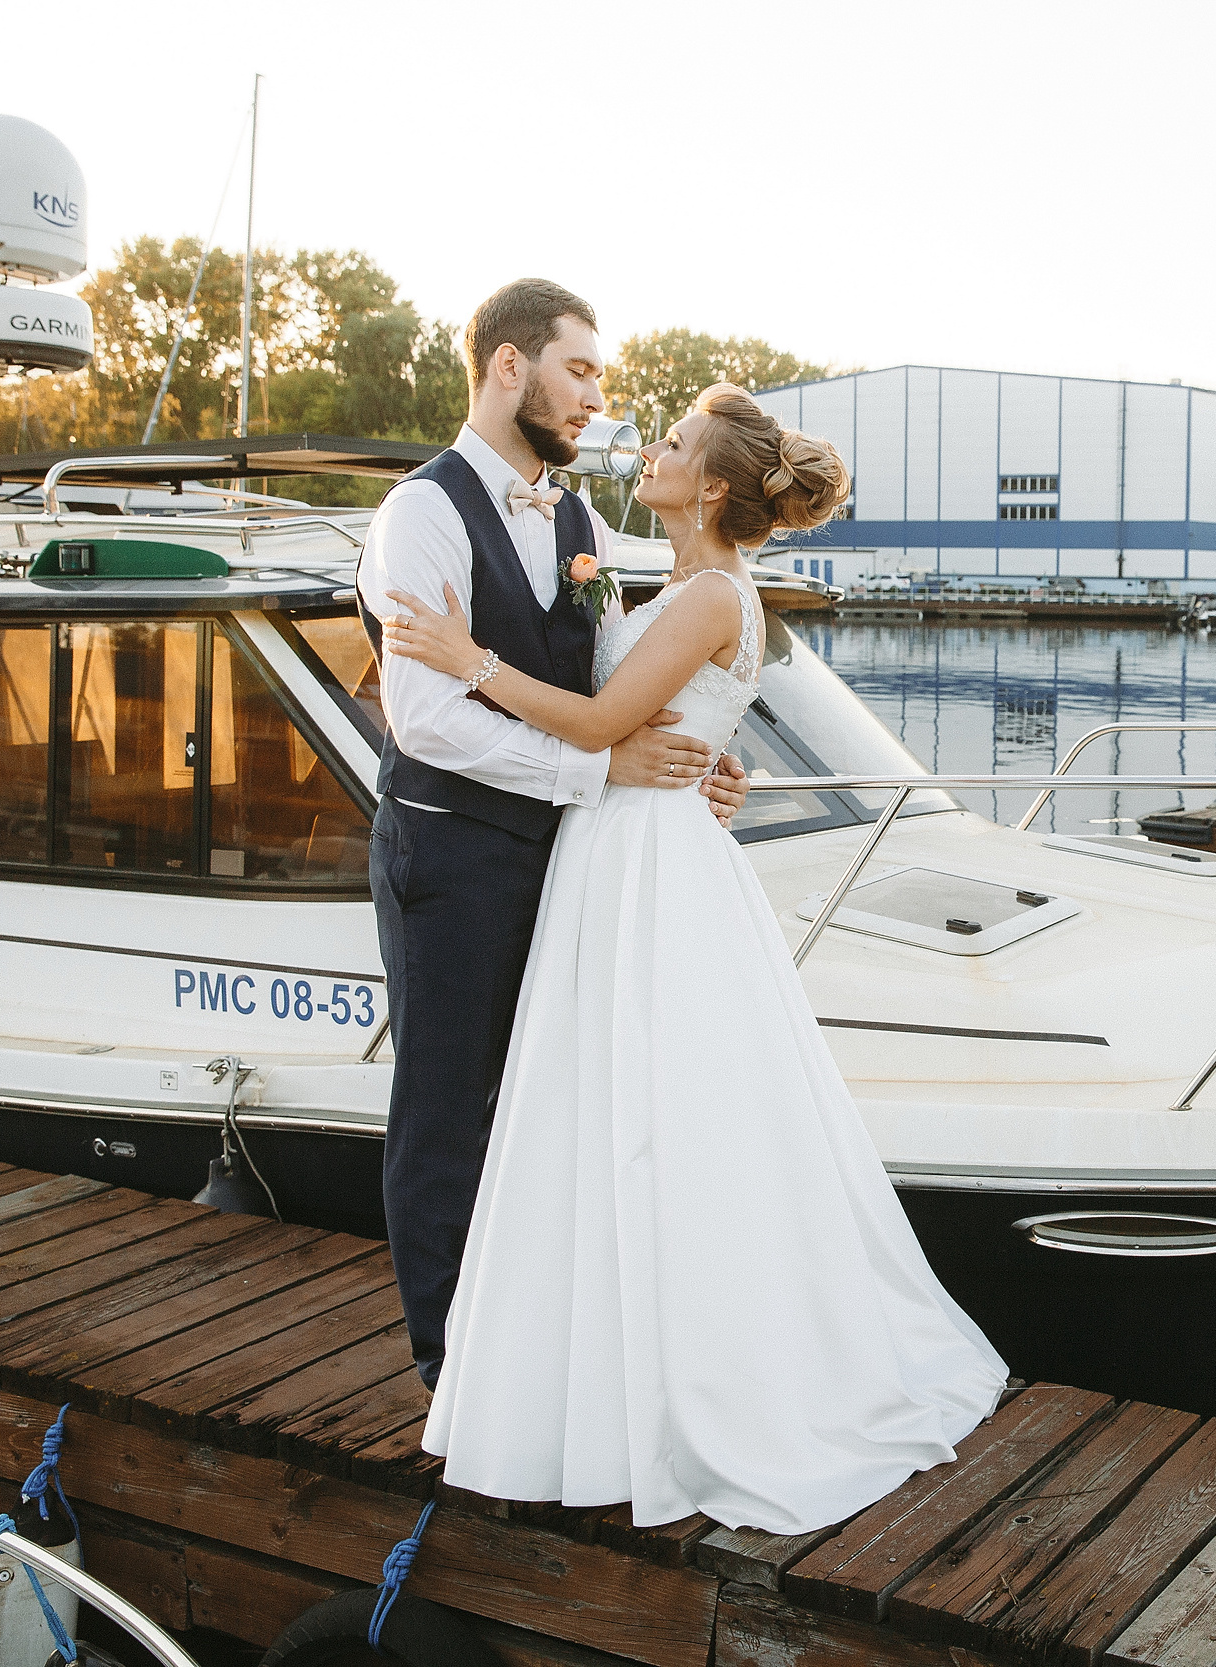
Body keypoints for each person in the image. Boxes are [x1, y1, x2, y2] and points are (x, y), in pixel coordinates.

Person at [379, 383, 1006, 1532]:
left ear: (711, 484)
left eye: (671, 443)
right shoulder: (673, 578)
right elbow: (651, 710)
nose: (650, 449)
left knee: (655, 1113)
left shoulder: (713, 589)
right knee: (607, 1107)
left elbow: (595, 722)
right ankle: (593, 1359)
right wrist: (719, 761)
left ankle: (683, 1376)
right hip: (623, 848)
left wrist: (462, 656)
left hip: (645, 858)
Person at [361, 279, 748, 1391]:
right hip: (452, 852)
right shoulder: (420, 514)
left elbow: (606, 679)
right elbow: (425, 718)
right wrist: (597, 764)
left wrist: (705, 759)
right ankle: (449, 1359)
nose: (595, 398)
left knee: (554, 1097)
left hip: (575, 860)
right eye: (579, 370)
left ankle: (537, 1328)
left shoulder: (578, 521)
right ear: (507, 366)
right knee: (446, 1105)